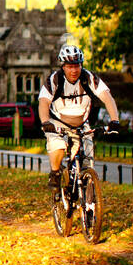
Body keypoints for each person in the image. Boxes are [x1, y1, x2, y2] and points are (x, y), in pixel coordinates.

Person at [38, 44, 120, 194]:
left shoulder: (89, 78)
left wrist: (114, 120)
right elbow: (43, 102)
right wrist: (45, 122)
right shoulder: (55, 80)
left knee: (88, 162)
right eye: (70, 66)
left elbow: (108, 98)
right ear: (63, 66)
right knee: (59, 147)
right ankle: (55, 173)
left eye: (77, 66)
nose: (74, 70)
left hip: (82, 124)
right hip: (57, 123)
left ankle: (89, 203)